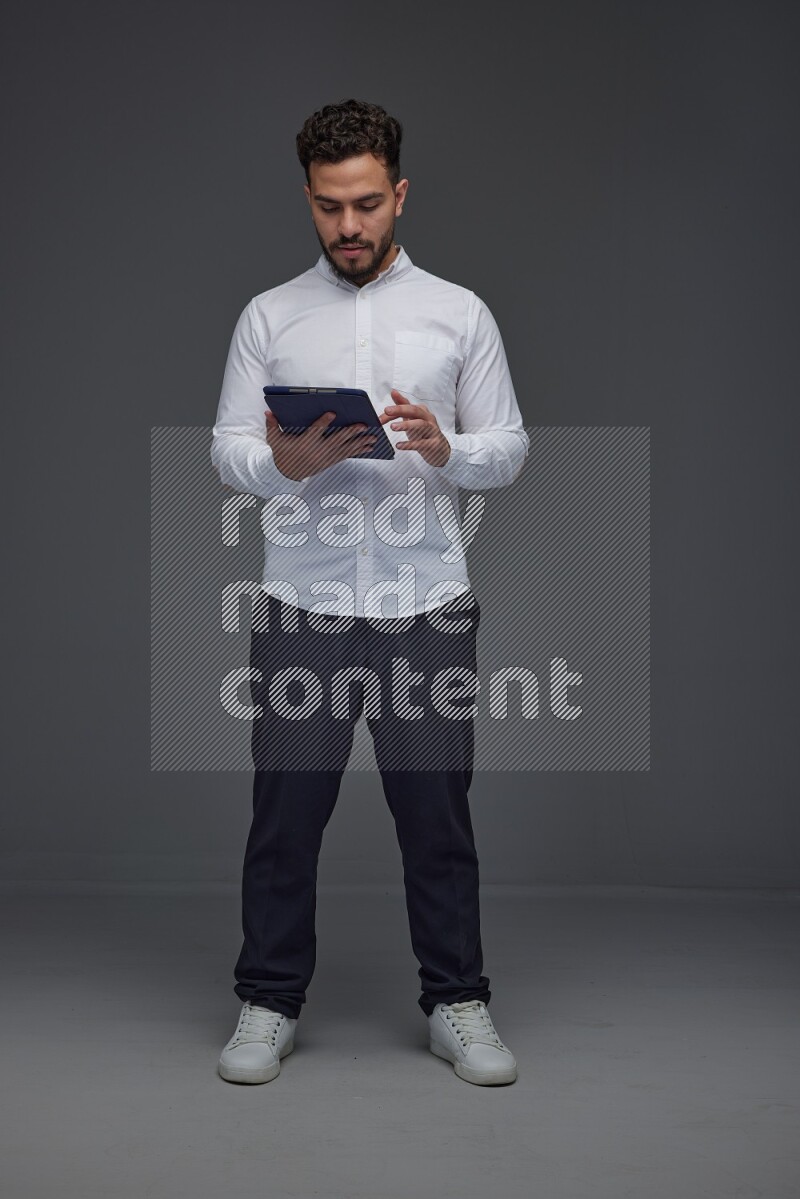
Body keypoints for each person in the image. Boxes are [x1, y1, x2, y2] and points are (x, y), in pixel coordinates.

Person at [211, 98, 529, 1087]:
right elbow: (226, 449)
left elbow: (508, 447)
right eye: (326, 206)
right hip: (302, 604)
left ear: (398, 193)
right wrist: (285, 464)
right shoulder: (270, 315)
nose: (346, 226)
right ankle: (267, 999)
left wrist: (448, 446)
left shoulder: (458, 311)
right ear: (306, 200)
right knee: (284, 811)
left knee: (435, 809)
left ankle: (456, 999)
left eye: (364, 203)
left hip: (424, 601)